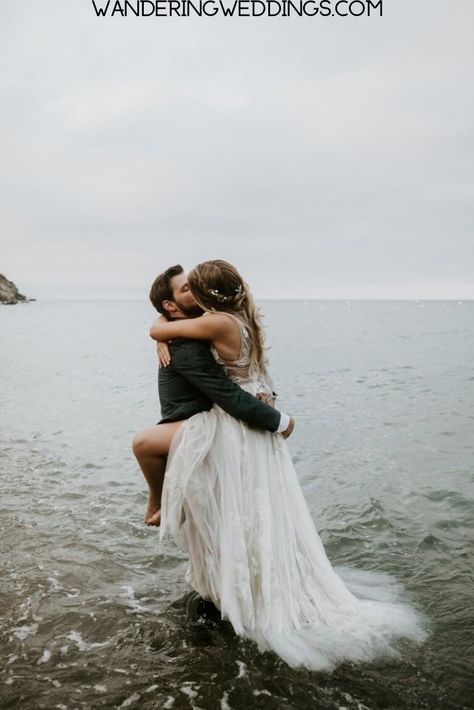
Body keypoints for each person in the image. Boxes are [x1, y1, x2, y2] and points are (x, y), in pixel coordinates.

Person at [149, 260, 428, 672]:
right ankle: (257, 581)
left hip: (240, 428)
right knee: (264, 507)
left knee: (244, 508)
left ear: (206, 297)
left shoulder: (214, 324)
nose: (188, 291)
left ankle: (248, 592)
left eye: (193, 287)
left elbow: (161, 330)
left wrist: (160, 327)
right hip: (257, 423)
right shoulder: (244, 318)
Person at [132, 264, 294, 526]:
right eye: (187, 288)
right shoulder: (228, 318)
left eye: (194, 286)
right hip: (229, 410)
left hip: (226, 419)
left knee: (143, 443)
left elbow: (227, 394)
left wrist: (280, 421)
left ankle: (163, 501)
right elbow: (162, 329)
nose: (195, 291)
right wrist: (162, 333)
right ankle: (170, 501)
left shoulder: (206, 328)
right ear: (170, 306)